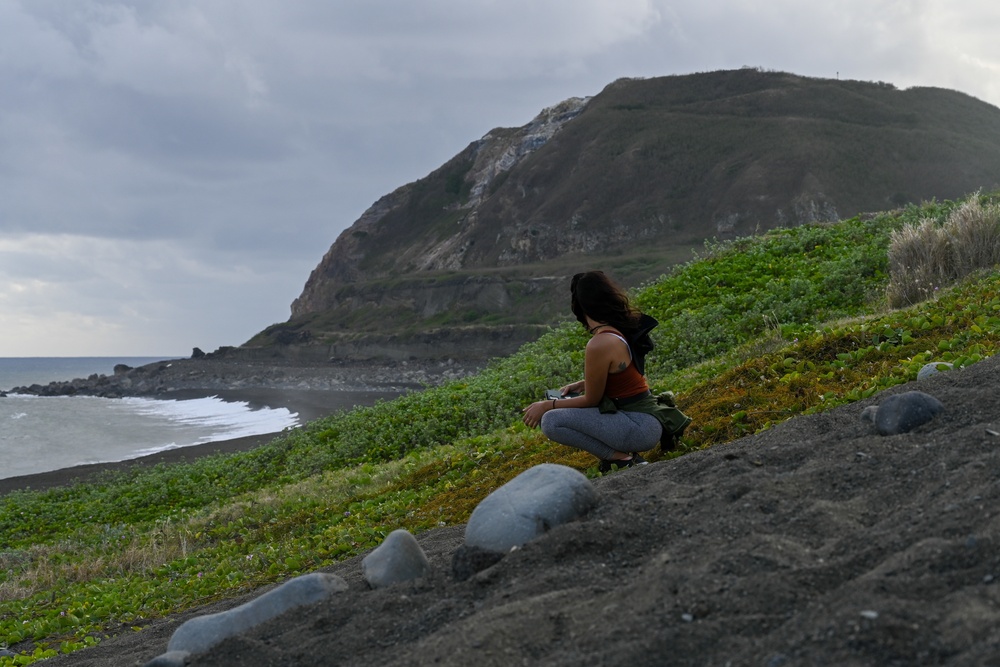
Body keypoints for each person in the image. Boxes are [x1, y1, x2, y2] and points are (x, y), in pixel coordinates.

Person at [522, 271, 662, 472]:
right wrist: (585, 383)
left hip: (639, 427)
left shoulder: (600, 343)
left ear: (580, 308)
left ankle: (621, 459)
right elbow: (624, 377)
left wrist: (547, 405)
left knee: (552, 421)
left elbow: (592, 401)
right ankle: (622, 456)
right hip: (645, 420)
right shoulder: (619, 329)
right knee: (567, 404)